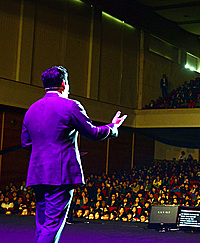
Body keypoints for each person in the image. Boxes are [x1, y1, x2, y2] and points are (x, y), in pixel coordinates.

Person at [21, 66, 127, 243]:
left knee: (42, 223)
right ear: (64, 84)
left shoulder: (31, 109)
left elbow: (26, 143)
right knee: (52, 225)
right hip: (60, 175)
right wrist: (113, 127)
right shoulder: (70, 106)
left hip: (37, 174)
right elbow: (92, 133)